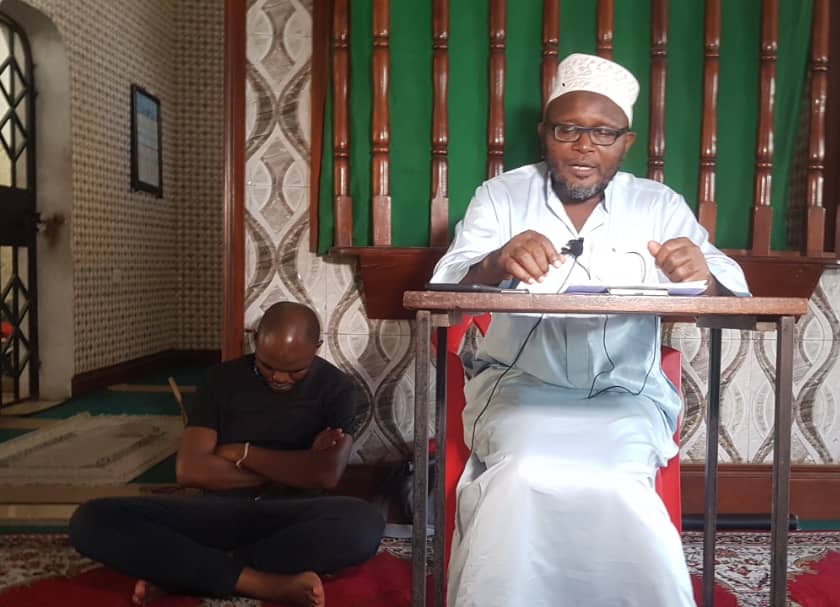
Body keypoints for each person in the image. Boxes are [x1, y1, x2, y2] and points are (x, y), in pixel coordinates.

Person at [430, 54, 750, 607]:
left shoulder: (658, 205)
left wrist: (701, 276)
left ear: (626, 143)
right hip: (519, 388)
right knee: (523, 474)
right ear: (544, 133)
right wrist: (495, 262)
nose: (584, 146)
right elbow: (443, 290)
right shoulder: (502, 196)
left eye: (603, 133)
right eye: (568, 130)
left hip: (626, 394)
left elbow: (732, 299)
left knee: (619, 481)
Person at [69, 301, 384, 607]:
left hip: (290, 516)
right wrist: (298, 465)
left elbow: (325, 475)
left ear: (317, 347)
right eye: (267, 366)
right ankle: (264, 583)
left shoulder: (338, 389)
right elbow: (191, 470)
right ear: (255, 339)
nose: (279, 377)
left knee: (363, 524)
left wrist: (241, 453)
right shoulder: (220, 380)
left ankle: (183, 573)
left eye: (295, 371)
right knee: (91, 519)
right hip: (218, 511)